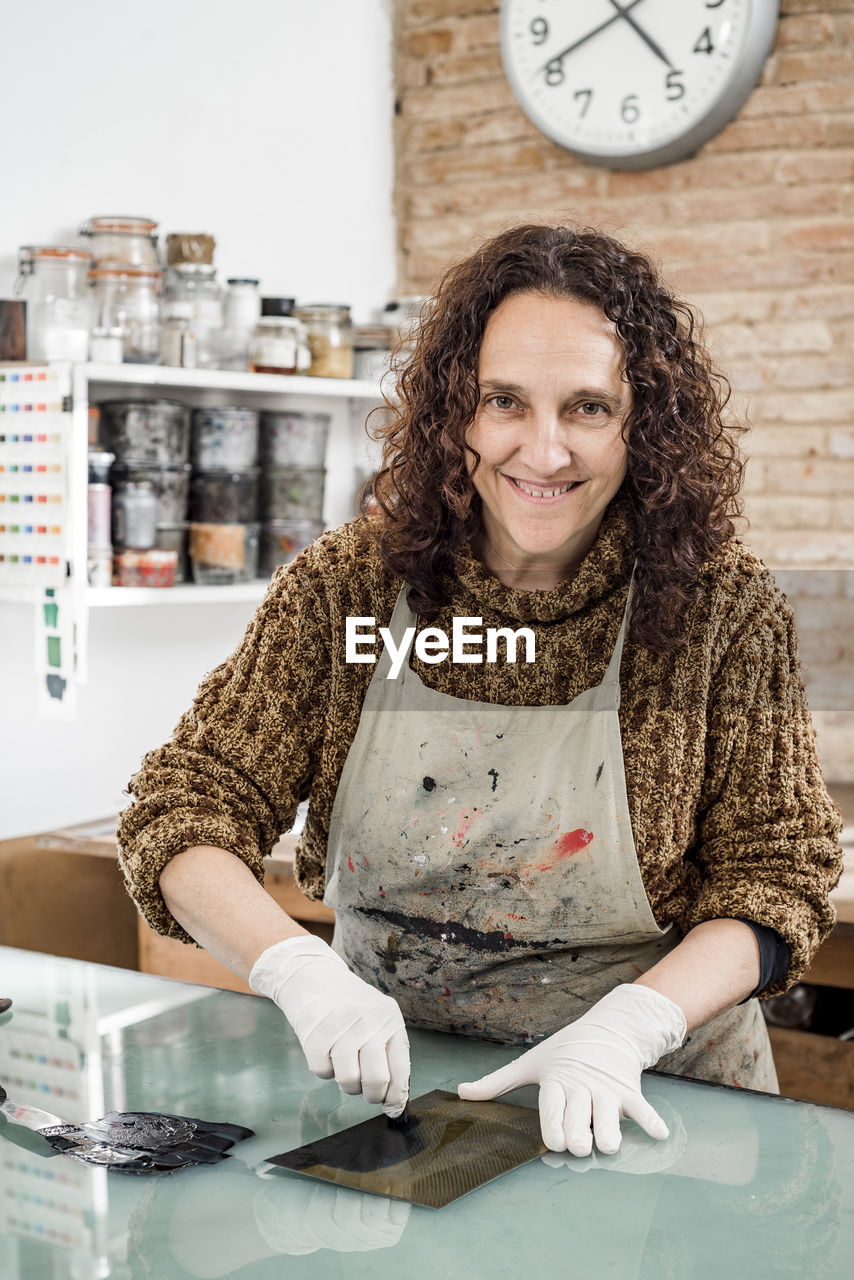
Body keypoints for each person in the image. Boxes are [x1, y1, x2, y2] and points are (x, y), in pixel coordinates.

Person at [117, 224, 843, 1158]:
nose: (543, 453)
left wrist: (633, 1025)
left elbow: (777, 875)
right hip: (392, 1103)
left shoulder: (721, 612)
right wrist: (298, 969)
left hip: (652, 1109)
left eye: (587, 407)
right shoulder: (350, 589)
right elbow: (184, 806)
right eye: (505, 401)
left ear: (645, 424)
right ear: (454, 410)